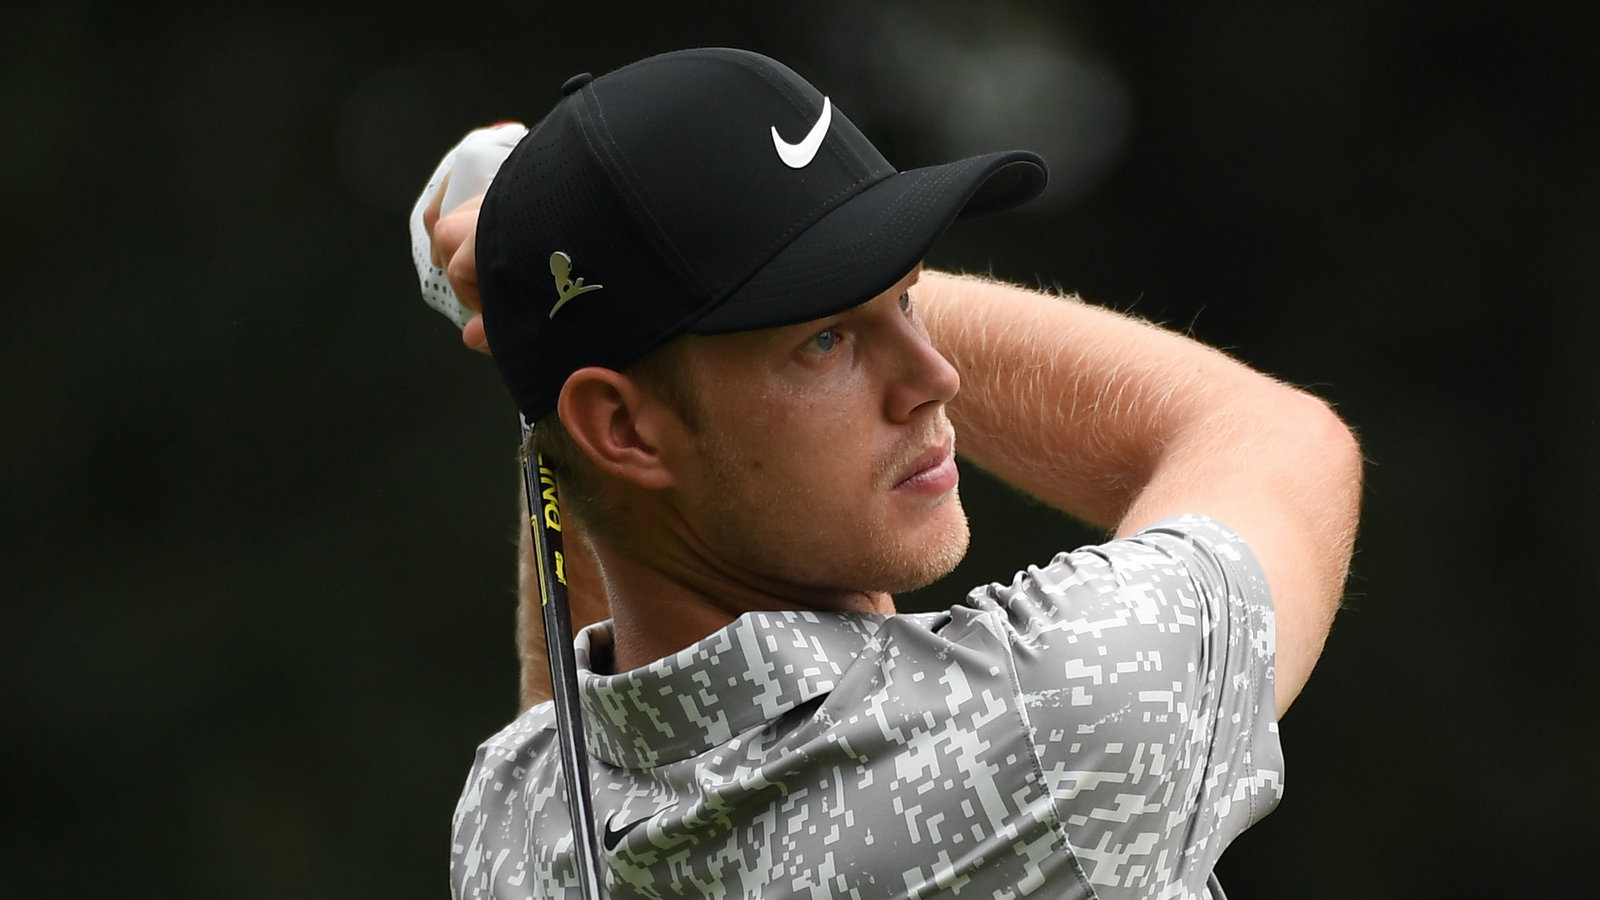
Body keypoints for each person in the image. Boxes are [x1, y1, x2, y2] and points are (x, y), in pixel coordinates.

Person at [415, 48, 1361, 900]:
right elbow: (1277, 441)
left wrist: (557, 315)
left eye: (907, 294)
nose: (936, 374)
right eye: (825, 337)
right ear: (623, 427)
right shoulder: (1041, 724)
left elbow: (591, 623)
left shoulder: (512, 821)